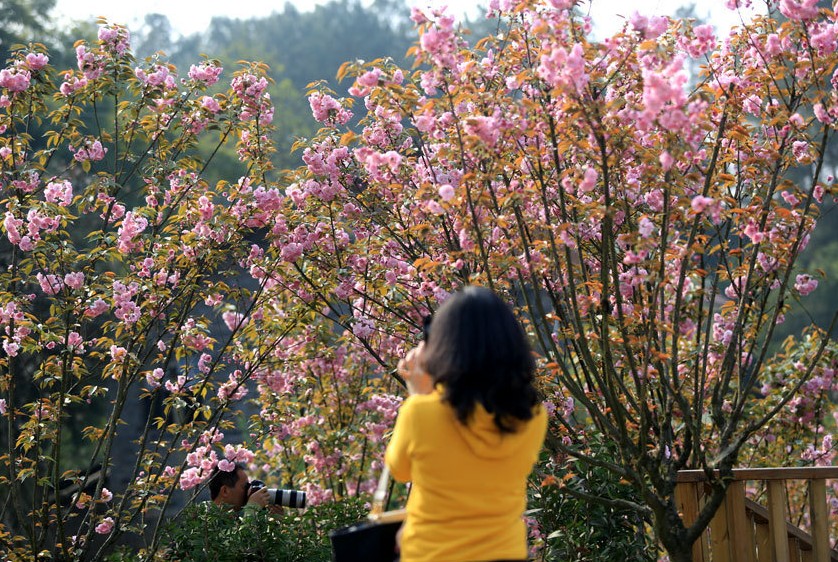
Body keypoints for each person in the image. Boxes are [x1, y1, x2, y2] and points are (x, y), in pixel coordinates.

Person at [385, 286, 548, 562]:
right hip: (505, 552)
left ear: (445, 348)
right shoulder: (532, 415)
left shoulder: (420, 412)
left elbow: (399, 470)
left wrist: (419, 393)